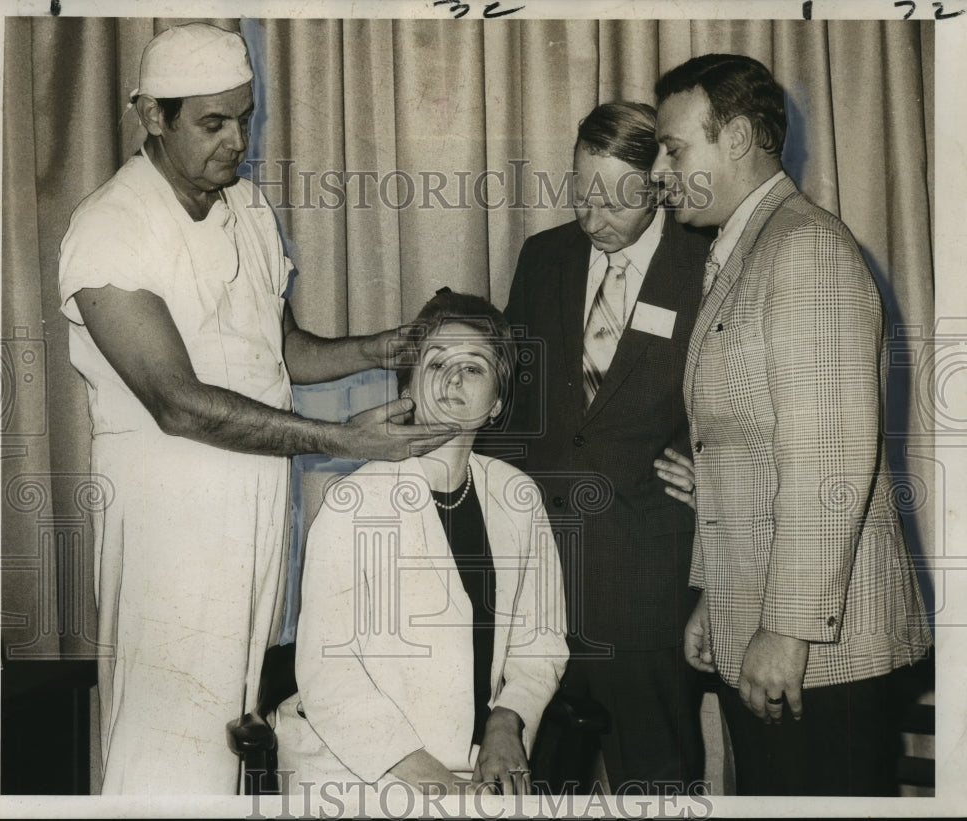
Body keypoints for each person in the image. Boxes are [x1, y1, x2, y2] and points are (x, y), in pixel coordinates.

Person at [57, 23, 454, 794]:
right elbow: (179, 404)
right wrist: (340, 438)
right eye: (212, 122)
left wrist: (382, 346)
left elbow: (284, 353)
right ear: (152, 117)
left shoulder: (247, 206)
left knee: (232, 728)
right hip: (168, 512)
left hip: (257, 503)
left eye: (244, 117)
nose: (237, 140)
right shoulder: (110, 226)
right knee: (163, 735)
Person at [651, 53, 933, 795]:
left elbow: (827, 462)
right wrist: (717, 595)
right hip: (775, 631)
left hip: (821, 648)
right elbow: (739, 455)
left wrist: (786, 629)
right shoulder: (749, 250)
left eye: (674, 148)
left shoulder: (803, 249)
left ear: (738, 137)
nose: (658, 169)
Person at [275, 290, 569, 798]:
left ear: (498, 401)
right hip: (358, 771)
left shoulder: (516, 495)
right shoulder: (354, 501)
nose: (454, 378)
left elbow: (540, 643)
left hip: (476, 766)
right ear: (409, 383)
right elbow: (329, 675)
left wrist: (507, 720)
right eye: (437, 363)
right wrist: (439, 786)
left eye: (474, 367)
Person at [498, 102, 711, 793]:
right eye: (580, 189)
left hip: (648, 585)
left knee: (656, 783)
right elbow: (515, 409)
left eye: (616, 196)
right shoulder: (544, 257)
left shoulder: (708, 265)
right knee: (541, 783)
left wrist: (721, 473)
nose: (592, 216)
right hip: (541, 585)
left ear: (659, 181)